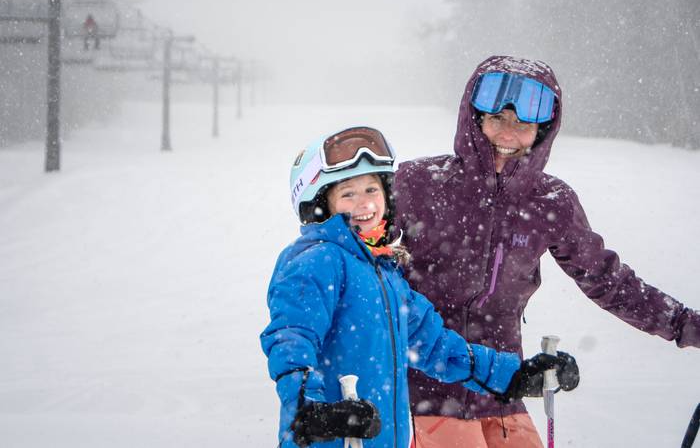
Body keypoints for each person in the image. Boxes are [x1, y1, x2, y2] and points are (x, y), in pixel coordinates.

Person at [393, 55, 700, 447]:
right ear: (474, 116)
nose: (508, 132)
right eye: (498, 118)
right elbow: (358, 252)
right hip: (422, 386)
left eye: (522, 123)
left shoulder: (550, 202)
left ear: (542, 130)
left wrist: (687, 325)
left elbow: (610, 283)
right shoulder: (419, 182)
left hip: (501, 390)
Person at [260, 126, 579, 448]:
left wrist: (515, 375)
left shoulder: (384, 274)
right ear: (320, 205)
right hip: (329, 439)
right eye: (348, 194)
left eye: (372, 189)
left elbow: (437, 347)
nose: (365, 203)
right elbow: (291, 338)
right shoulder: (316, 260)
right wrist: (309, 410)